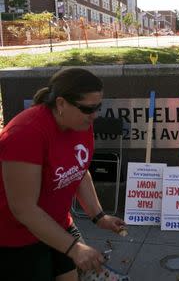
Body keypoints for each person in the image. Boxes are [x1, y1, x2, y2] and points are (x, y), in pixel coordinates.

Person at [0, 68, 126, 281]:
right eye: (88, 109)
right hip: (16, 238)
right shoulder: (25, 134)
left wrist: (99, 216)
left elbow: (79, 171)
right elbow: (24, 209)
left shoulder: (80, 122)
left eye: (98, 107)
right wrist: (74, 249)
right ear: (60, 104)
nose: (94, 115)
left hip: (58, 223)